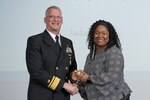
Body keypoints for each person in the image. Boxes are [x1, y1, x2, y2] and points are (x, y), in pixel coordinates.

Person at [26, 6, 78, 100]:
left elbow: (72, 67)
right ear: (45, 20)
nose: (56, 20)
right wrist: (64, 85)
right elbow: (36, 72)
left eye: (59, 17)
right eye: (52, 17)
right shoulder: (35, 41)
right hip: (42, 95)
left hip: (62, 96)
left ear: (62, 21)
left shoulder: (68, 42)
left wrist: (73, 77)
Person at [73, 20, 132, 100]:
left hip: (116, 97)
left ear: (109, 35)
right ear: (92, 35)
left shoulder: (114, 52)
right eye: (97, 33)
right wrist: (79, 80)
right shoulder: (90, 56)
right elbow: (88, 78)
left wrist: (88, 78)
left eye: (104, 33)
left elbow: (111, 77)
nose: (100, 36)